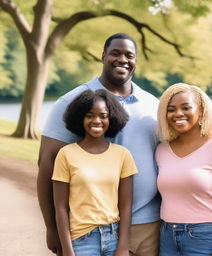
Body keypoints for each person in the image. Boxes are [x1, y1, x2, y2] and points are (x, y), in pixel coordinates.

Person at [37, 33, 160, 256]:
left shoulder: (153, 105)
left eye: (129, 55)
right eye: (115, 53)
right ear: (103, 56)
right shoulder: (73, 101)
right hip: (92, 228)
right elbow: (46, 164)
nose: (122, 59)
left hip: (149, 224)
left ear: (136, 61)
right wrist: (51, 227)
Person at [156, 83, 212, 256]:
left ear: (202, 110)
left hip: (206, 237)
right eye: (171, 109)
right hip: (167, 237)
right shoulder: (161, 150)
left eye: (186, 107)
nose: (178, 114)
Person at [52, 89, 137, 256]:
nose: (97, 120)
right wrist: (67, 250)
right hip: (82, 239)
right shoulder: (66, 154)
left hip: (114, 237)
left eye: (103, 116)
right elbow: (60, 208)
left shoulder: (123, 155)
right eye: (90, 115)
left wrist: (123, 246)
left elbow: (126, 205)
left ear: (111, 118)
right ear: (80, 118)